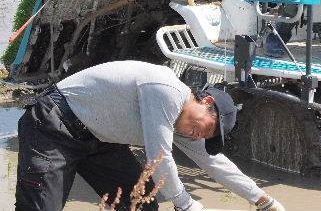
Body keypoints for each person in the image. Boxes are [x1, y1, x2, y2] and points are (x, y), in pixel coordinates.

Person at [15, 61, 285, 211]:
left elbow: (215, 163)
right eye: (208, 126)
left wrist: (263, 200)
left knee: (141, 205)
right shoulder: (167, 91)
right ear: (206, 100)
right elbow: (159, 157)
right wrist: (185, 204)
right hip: (54, 126)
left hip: (100, 140)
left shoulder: (185, 124)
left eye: (208, 136)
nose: (200, 134)